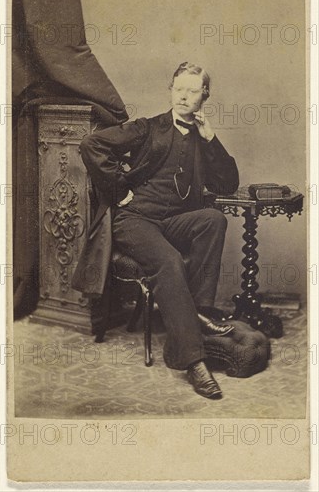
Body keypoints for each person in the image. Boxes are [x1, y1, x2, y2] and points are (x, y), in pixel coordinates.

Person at [79, 62, 239, 399]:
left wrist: (211, 139)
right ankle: (194, 361)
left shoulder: (201, 138)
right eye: (178, 87)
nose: (183, 95)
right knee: (168, 261)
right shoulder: (148, 128)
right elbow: (91, 144)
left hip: (174, 221)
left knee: (214, 219)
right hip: (135, 220)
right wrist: (119, 191)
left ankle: (197, 311)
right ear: (171, 89)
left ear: (204, 97)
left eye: (192, 90)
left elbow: (228, 183)